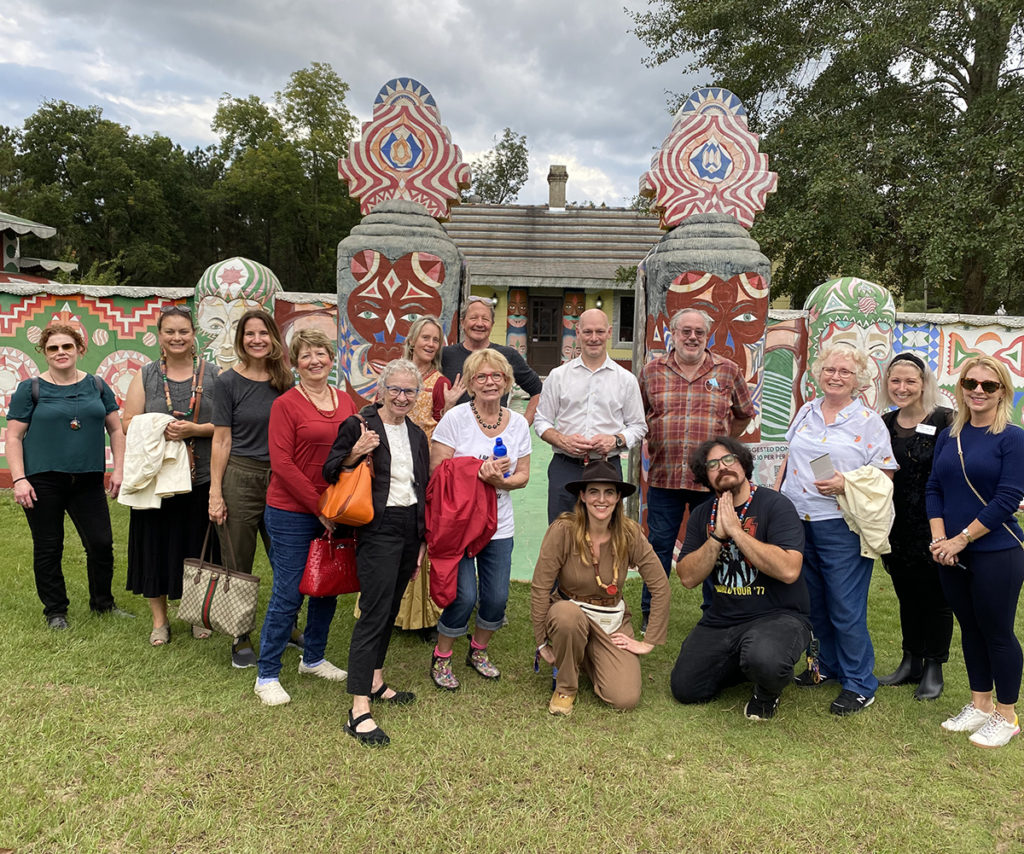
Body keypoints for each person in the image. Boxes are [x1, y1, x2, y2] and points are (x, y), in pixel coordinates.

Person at [780, 342, 897, 716]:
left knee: (846, 608)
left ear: (858, 380)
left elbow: (885, 474)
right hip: (798, 520)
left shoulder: (868, 421)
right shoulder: (806, 411)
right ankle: (824, 667)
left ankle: (860, 683)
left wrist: (845, 482)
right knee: (812, 603)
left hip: (841, 524)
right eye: (830, 370)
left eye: (845, 372)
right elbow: (788, 458)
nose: (836, 376)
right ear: (819, 373)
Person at [323, 358, 429, 746]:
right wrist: (356, 451)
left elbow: (421, 486)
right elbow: (329, 469)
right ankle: (358, 709)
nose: (402, 397)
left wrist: (420, 542)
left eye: (410, 391)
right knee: (373, 612)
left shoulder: (417, 434)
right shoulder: (360, 425)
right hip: (377, 529)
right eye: (396, 389)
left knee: (389, 608)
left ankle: (377, 679)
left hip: (408, 529)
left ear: (417, 396)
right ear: (381, 390)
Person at [670, 437, 810, 720]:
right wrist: (717, 537)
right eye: (712, 465)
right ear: (705, 476)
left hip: (778, 616)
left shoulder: (776, 505)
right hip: (722, 620)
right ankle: (748, 662)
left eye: (728, 459)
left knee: (766, 659)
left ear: (743, 463)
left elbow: (789, 570)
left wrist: (737, 532)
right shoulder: (702, 515)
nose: (722, 467)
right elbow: (686, 577)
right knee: (686, 688)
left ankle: (766, 691)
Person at [253, 330, 355, 706]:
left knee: (328, 585)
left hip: (335, 509)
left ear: (332, 359)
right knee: (290, 590)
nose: (315, 360)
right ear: (294, 363)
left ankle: (312, 658)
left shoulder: (344, 400)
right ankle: (267, 674)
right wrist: (319, 507)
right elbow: (281, 463)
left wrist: (338, 506)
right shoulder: (286, 404)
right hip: (292, 510)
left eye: (321, 353)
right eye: (306, 355)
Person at [927, 356, 1024, 748]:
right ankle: (980, 704)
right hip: (950, 551)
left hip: (997, 549)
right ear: (960, 387)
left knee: (997, 631)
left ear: (1003, 391)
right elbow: (934, 487)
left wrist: (960, 539)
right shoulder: (949, 434)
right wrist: (939, 540)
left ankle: (1007, 714)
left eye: (989, 385)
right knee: (969, 628)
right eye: (971, 382)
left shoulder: (1012, 437)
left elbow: (1008, 497)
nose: (978, 391)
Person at [6, 323, 128, 629]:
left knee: (100, 543)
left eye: (67, 347)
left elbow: (116, 429)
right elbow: (13, 437)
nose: (60, 353)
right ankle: (56, 611)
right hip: (42, 479)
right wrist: (19, 479)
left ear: (79, 349)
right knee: (49, 546)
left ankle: (103, 603)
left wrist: (119, 469)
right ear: (45, 353)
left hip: (88, 479)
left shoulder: (98, 386)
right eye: (53, 348)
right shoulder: (30, 388)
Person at [639, 307, 755, 630]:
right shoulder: (651, 372)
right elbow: (638, 414)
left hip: (712, 484)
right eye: (685, 331)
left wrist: (721, 447)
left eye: (699, 332)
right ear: (672, 335)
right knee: (658, 547)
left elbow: (744, 412)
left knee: (715, 545)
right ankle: (653, 612)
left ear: (707, 336)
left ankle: (714, 612)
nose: (692, 337)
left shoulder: (728, 370)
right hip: (665, 478)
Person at [531, 459, 669, 716]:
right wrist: (542, 643)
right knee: (567, 618)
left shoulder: (629, 533)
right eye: (594, 491)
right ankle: (565, 686)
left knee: (624, 698)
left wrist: (649, 641)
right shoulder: (562, 531)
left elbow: (659, 585)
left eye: (609, 492)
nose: (601, 499)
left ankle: (583, 657)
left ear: (618, 498)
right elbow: (540, 588)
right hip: (570, 612)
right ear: (582, 496)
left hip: (610, 619)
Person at [429, 348, 532, 690]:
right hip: (459, 523)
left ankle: (479, 650)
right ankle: (442, 656)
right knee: (464, 595)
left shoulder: (517, 423)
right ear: (471, 384)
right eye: (481, 377)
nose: (490, 382)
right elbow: (437, 473)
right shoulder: (455, 419)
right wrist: (477, 472)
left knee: (496, 597)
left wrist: (500, 482)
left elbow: (524, 477)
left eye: (496, 376)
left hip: (499, 523)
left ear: (507, 382)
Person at [122, 306, 220, 646]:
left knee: (199, 549)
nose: (177, 338)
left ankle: (198, 614)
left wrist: (194, 429)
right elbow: (126, 421)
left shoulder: (214, 375)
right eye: (170, 332)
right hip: (156, 481)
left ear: (194, 336)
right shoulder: (147, 375)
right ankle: (160, 621)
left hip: (202, 477)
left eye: (183, 331)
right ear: (159, 337)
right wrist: (159, 427)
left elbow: (226, 426)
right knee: (154, 546)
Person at [209, 309, 294, 668]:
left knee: (286, 558)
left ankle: (285, 627)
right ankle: (239, 636)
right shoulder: (227, 382)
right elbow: (221, 440)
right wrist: (216, 492)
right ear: (240, 339)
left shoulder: (286, 381)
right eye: (249, 334)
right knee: (238, 559)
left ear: (273, 337)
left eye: (263, 333)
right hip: (241, 476)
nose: (257, 340)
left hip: (281, 478)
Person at [877, 353, 954, 700]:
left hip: (935, 524)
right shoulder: (884, 422)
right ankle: (911, 661)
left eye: (910, 381)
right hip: (896, 526)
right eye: (896, 381)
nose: (903, 387)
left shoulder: (946, 421)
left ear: (924, 383)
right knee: (906, 594)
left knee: (936, 598)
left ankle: (934, 665)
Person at [533, 308, 647, 523]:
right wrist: (562, 440)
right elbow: (541, 421)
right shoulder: (558, 377)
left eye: (599, 331)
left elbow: (638, 426)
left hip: (607, 467)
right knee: (561, 534)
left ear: (609, 332)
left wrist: (615, 440)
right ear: (577, 333)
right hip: (565, 466)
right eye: (587, 332)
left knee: (606, 536)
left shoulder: (626, 379)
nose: (593, 338)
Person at [390, 315, 458, 639]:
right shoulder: (396, 374)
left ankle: (426, 616)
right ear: (413, 340)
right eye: (425, 338)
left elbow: (445, 430)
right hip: (395, 464)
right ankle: (393, 608)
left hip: (427, 469)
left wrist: (452, 406)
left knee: (425, 537)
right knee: (396, 533)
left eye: (436, 339)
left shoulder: (441, 383)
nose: (430, 344)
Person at [440, 295, 543, 424]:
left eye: (485, 319)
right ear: (462, 322)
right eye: (473, 318)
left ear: (492, 324)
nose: (479, 323)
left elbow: (539, 391)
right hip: (456, 436)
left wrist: (523, 425)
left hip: (496, 436)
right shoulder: (445, 355)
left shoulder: (507, 355)